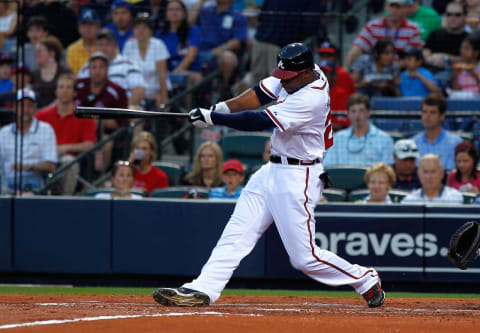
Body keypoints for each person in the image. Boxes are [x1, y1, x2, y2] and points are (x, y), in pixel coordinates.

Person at [153, 43, 385, 308]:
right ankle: (203, 288)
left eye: (289, 78)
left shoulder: (311, 98)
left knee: (304, 258)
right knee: (236, 233)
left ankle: (365, 278)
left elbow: (257, 120)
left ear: (307, 73)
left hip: (299, 176)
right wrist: (223, 109)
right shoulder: (298, 73)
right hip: (271, 170)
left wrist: (215, 119)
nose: (283, 82)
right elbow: (259, 93)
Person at [35, 73, 97, 195]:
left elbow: (90, 145)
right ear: (56, 91)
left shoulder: (84, 116)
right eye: (61, 87)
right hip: (43, 156)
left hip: (68, 159)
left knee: (69, 161)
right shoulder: (41, 116)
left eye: (69, 87)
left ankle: (66, 199)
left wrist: (65, 148)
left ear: (75, 93)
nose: (64, 91)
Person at [0, 88, 57, 193]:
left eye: (30, 106)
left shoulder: (46, 129)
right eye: (22, 106)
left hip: (34, 186)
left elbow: (51, 165)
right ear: (14, 108)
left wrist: (28, 167)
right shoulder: (4, 132)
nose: (26, 110)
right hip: (6, 186)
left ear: (35, 108)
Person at [344, 0, 422, 71]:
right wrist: (345, 69)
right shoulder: (372, 26)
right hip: (373, 70)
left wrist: (390, 68)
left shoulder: (413, 29)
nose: (394, 10)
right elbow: (356, 49)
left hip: (400, 71)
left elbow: (413, 58)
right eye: (391, 6)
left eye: (398, 7)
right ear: (385, 7)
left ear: (404, 9)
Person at [77, 29, 145, 108]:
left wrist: (120, 112)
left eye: (107, 44)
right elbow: (77, 91)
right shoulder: (87, 67)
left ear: (115, 45)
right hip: (95, 111)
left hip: (125, 110)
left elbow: (139, 92)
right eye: (100, 45)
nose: (103, 48)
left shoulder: (129, 65)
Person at [192, 0, 248, 97]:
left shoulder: (238, 16)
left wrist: (222, 49)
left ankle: (224, 91)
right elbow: (189, 22)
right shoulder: (205, 11)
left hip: (220, 54)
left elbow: (238, 41)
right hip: (198, 52)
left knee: (228, 58)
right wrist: (201, 1)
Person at [323, 93, 395, 167]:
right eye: (353, 111)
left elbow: (387, 172)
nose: (357, 115)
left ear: (368, 113)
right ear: (348, 114)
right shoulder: (337, 139)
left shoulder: (384, 139)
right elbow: (328, 167)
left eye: (361, 110)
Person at [157, 0, 202, 108]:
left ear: (184, 13)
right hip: (165, 72)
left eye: (177, 9)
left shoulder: (193, 30)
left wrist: (177, 71)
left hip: (189, 70)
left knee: (192, 78)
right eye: (171, 9)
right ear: (166, 14)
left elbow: (191, 55)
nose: (174, 12)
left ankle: (189, 116)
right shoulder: (160, 33)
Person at [122, 12, 170, 108]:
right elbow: (125, 73)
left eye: (144, 27)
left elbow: (162, 76)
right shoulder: (128, 46)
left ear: (151, 31)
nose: (141, 30)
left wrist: (164, 100)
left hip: (155, 92)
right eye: (137, 27)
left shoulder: (158, 45)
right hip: (134, 92)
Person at [411, 93, 462, 170]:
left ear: (442, 116)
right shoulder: (412, 143)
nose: (427, 117)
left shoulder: (456, 143)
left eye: (432, 112)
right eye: (424, 112)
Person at [317, 41, 356, 129]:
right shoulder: (311, 91)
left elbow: (342, 122)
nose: (325, 58)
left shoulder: (341, 91)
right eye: (322, 56)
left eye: (329, 56)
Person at [423, 1, 468, 71]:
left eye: (457, 15)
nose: (453, 18)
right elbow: (425, 51)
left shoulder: (469, 38)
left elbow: (469, 60)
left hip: (457, 74)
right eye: (449, 14)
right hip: (431, 74)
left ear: (465, 16)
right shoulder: (435, 34)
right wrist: (430, 58)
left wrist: (446, 58)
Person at [31, 36, 72, 109]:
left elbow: (68, 94)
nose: (36, 54)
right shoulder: (33, 73)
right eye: (35, 51)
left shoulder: (65, 71)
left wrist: (46, 110)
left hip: (59, 111)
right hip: (36, 113)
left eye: (39, 51)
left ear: (52, 53)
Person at [128, 131, 169, 195]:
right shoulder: (127, 172)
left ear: (152, 152)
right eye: (137, 148)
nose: (139, 152)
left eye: (144, 149)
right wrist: (128, 166)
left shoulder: (160, 177)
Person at [66, 8, 101, 75]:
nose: (87, 28)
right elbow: (72, 76)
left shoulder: (105, 47)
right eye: (84, 24)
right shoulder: (72, 49)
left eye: (91, 24)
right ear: (78, 28)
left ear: (98, 27)